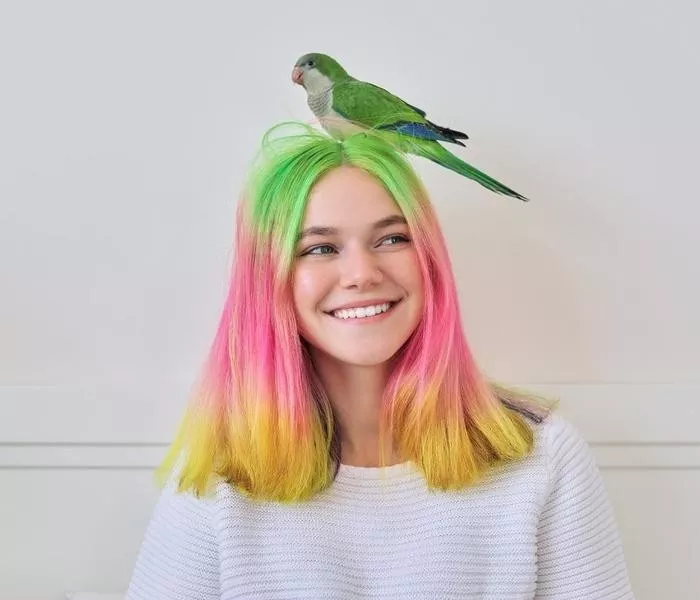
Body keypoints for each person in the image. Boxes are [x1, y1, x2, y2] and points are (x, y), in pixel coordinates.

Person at [125, 122, 635, 599]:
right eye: (320, 248)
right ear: (271, 280)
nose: (362, 273)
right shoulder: (220, 478)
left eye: (391, 239)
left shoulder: (542, 456)